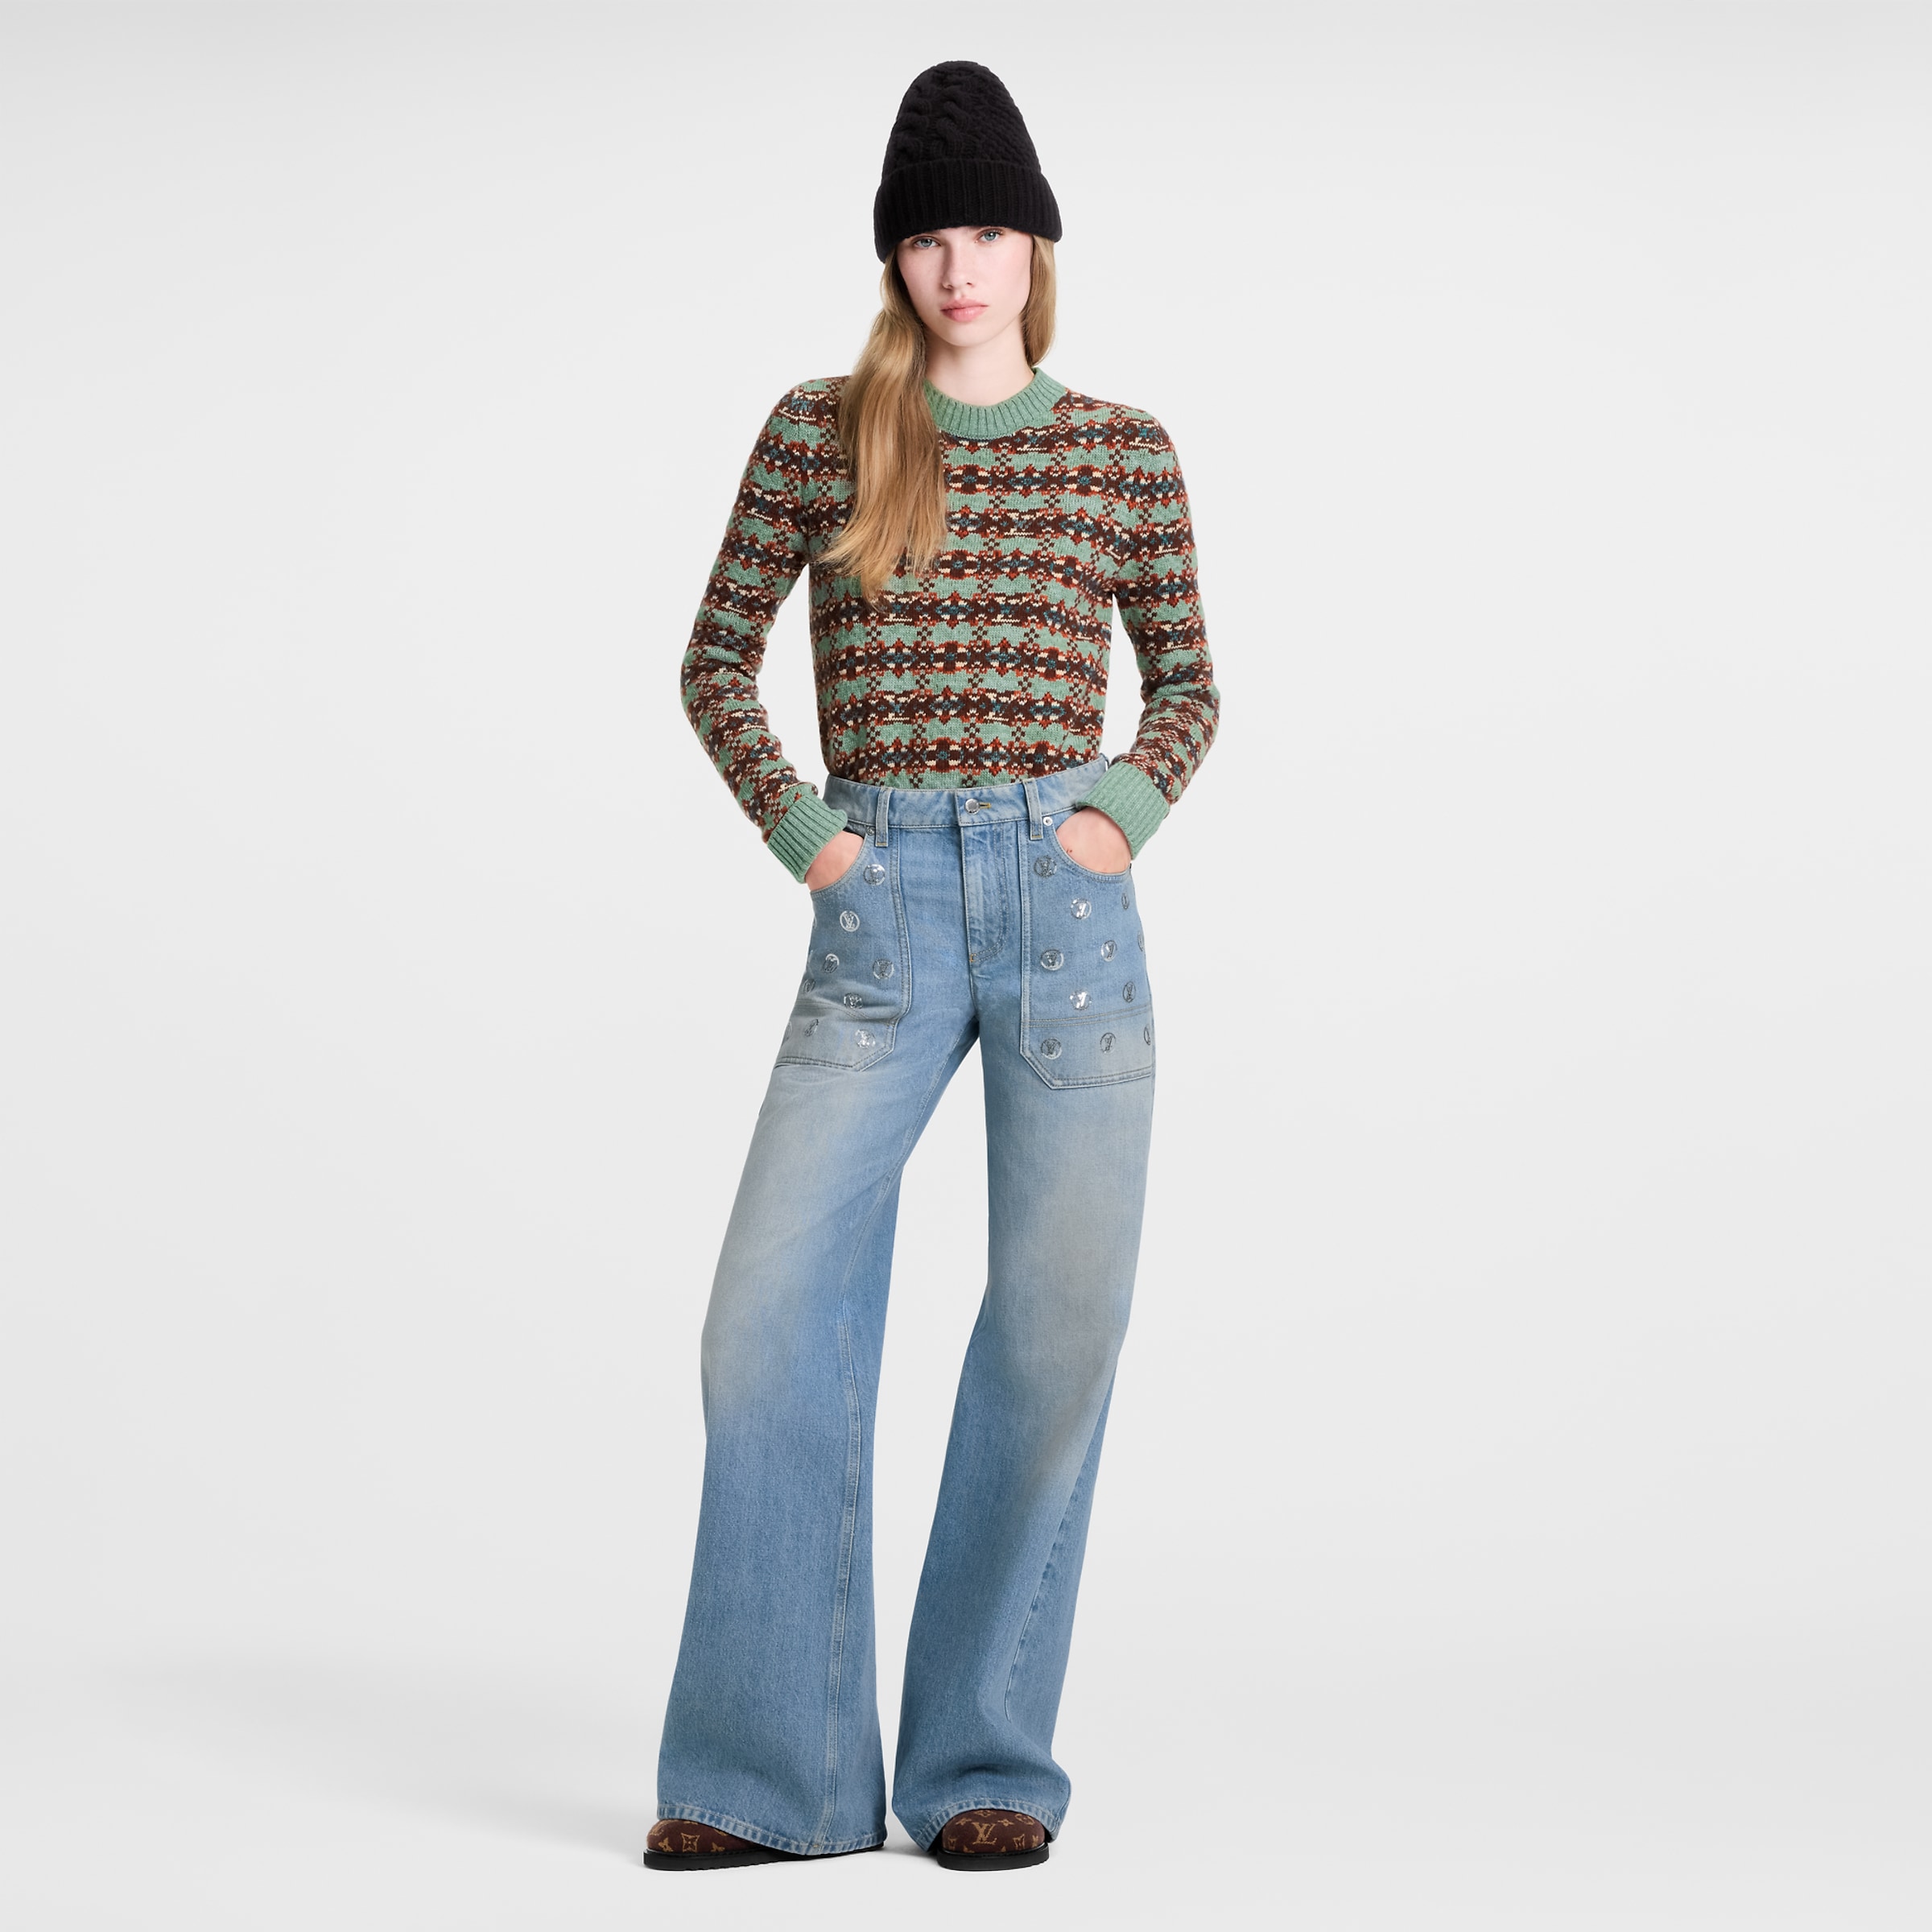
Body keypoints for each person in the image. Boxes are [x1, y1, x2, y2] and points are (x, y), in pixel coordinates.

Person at [644, 58, 1220, 1873]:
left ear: (1037, 246)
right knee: (764, 1321)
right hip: (879, 908)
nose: (959, 269)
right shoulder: (824, 433)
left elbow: (1192, 686)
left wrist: (1116, 814)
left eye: (987, 233)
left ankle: (981, 1761)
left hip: (1066, 919)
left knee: (1054, 1332)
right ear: (892, 259)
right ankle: (772, 1777)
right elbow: (713, 661)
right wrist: (813, 841)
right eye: (925, 240)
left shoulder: (1122, 449)